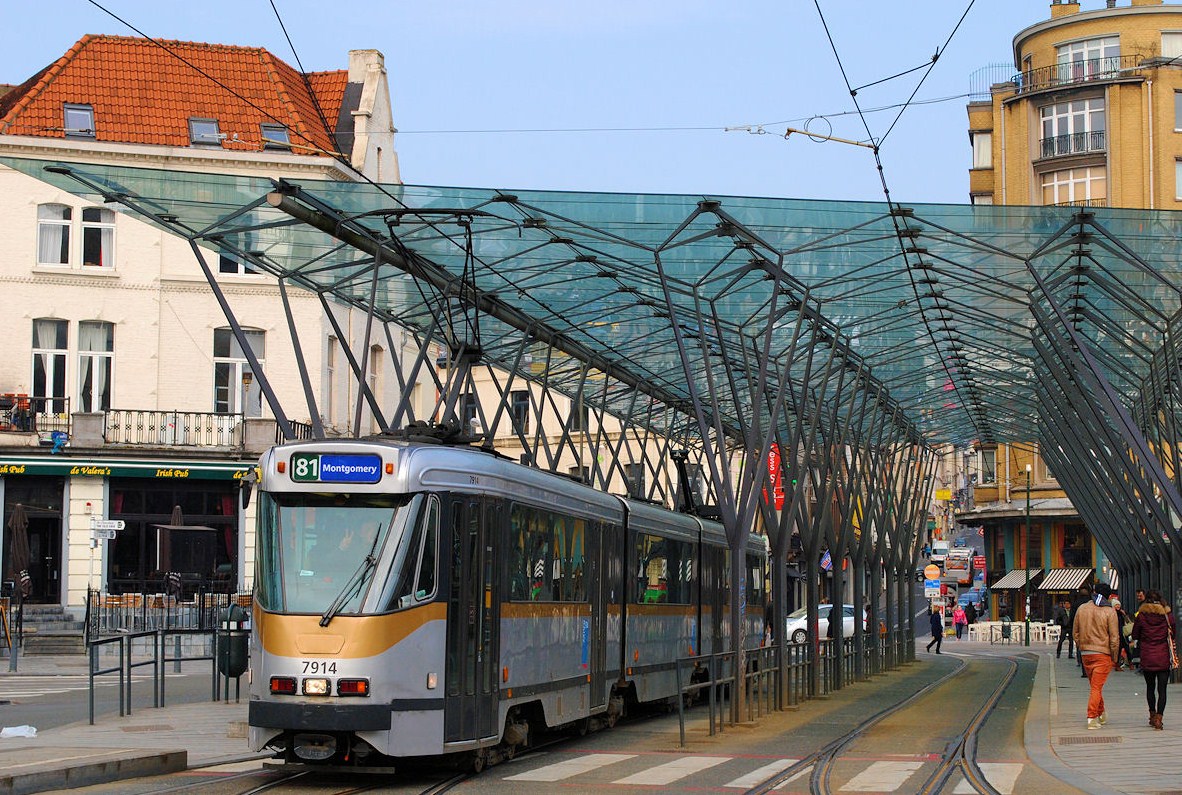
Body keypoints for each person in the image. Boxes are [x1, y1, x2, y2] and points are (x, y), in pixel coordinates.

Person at [1073, 582, 1120, 730]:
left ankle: (1101, 713)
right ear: (1109, 595)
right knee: (1096, 687)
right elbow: (1114, 638)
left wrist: (1081, 645)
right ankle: (1092, 717)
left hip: (1086, 652)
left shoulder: (1082, 608)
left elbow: (1075, 631)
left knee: (1095, 686)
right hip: (1102, 652)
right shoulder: (1109, 611)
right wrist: (1115, 656)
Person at [1131, 589, 1176, 730]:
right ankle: (1159, 718)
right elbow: (1173, 632)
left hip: (1148, 655)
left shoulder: (1142, 616)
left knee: (1150, 687)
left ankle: (1152, 715)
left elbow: (1135, 634)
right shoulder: (1167, 615)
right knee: (1162, 689)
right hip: (1163, 655)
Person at [1070, 583, 1093, 678]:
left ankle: (1082, 665)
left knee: (1081, 647)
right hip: (1091, 627)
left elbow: (1072, 617)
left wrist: (1072, 628)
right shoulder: (1092, 602)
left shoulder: (1076, 603)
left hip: (1080, 627)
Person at [1112, 594, 1134, 671]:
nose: (1118, 607)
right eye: (1116, 605)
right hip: (1117, 634)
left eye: (1118, 605)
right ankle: (1117, 665)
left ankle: (1130, 663)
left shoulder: (1122, 613)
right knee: (1118, 651)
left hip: (1124, 634)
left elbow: (1128, 621)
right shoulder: (1112, 614)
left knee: (1127, 649)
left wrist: (1125, 614)